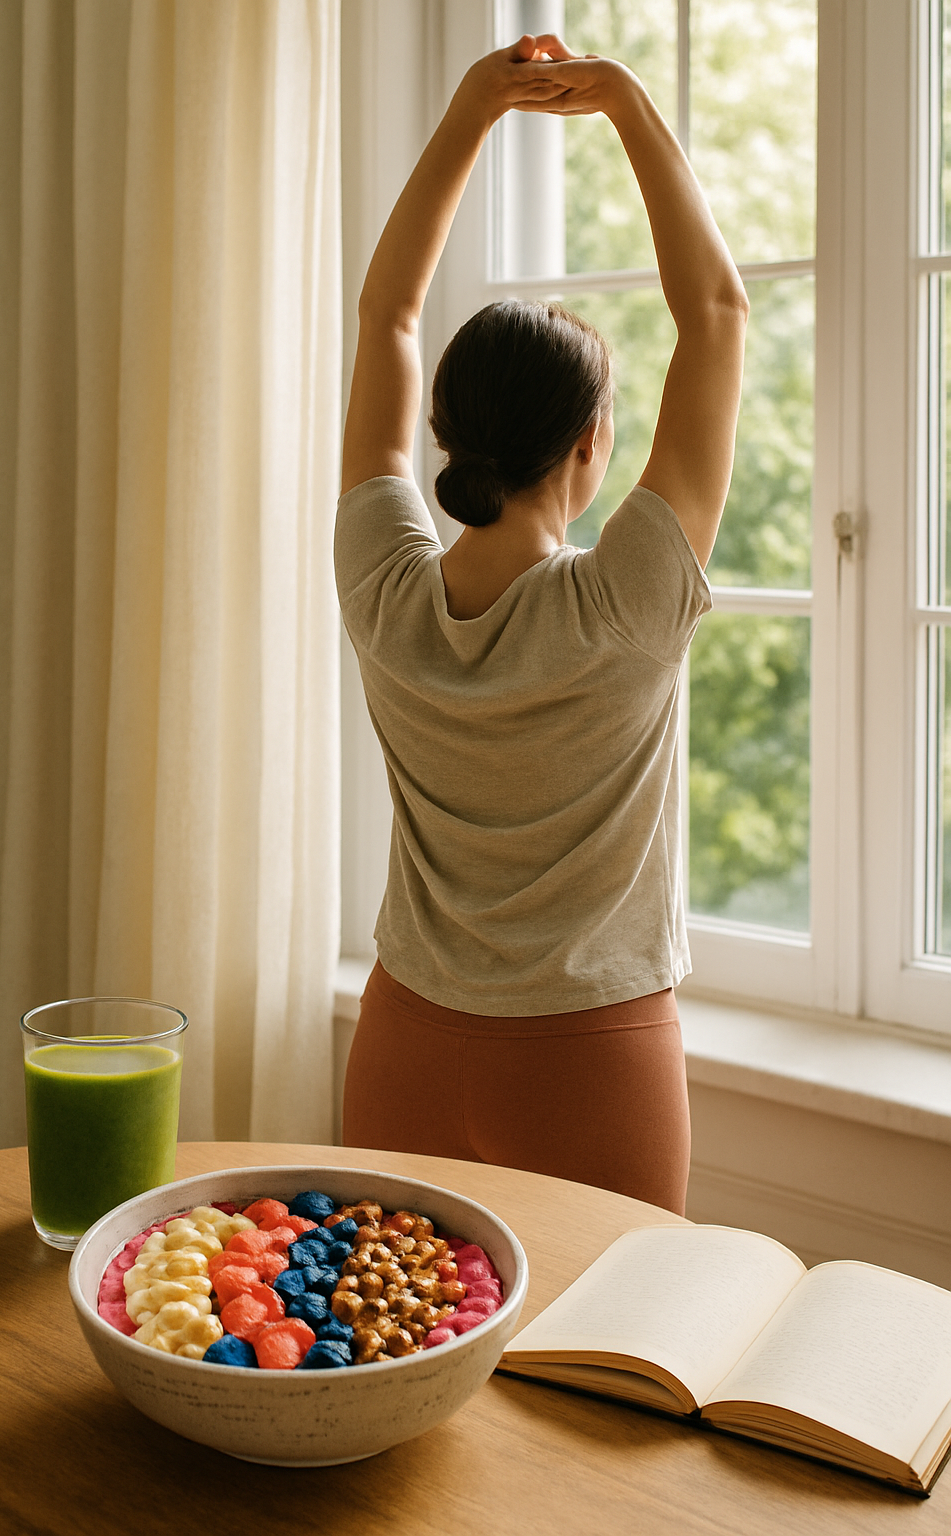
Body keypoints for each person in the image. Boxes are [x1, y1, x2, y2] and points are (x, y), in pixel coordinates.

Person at [334, 34, 747, 1216]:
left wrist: (473, 110)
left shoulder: (384, 587)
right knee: (611, 1341)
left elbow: (387, 314)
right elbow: (716, 313)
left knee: (404, 1332)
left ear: (446, 433)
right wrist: (624, 100)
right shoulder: (626, 602)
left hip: (404, 1043)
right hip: (590, 1059)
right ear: (590, 444)